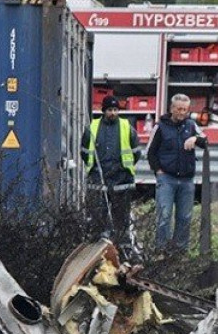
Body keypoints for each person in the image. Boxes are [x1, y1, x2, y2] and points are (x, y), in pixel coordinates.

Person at [146, 93, 207, 252]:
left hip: (187, 180)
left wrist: (195, 139)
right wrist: (158, 172)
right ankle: (162, 252)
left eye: (185, 110)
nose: (182, 113)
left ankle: (180, 254)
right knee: (164, 217)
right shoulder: (160, 127)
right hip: (167, 179)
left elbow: (205, 141)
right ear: (172, 108)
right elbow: (150, 152)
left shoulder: (191, 125)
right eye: (179, 109)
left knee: (184, 218)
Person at [81, 95, 142, 252]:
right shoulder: (92, 128)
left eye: (115, 110)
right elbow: (84, 152)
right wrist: (94, 169)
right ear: (103, 111)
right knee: (97, 218)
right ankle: (98, 250)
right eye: (110, 110)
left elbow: (136, 152)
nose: (113, 113)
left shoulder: (126, 127)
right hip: (98, 180)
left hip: (122, 180)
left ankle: (124, 250)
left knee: (121, 218)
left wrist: (123, 168)